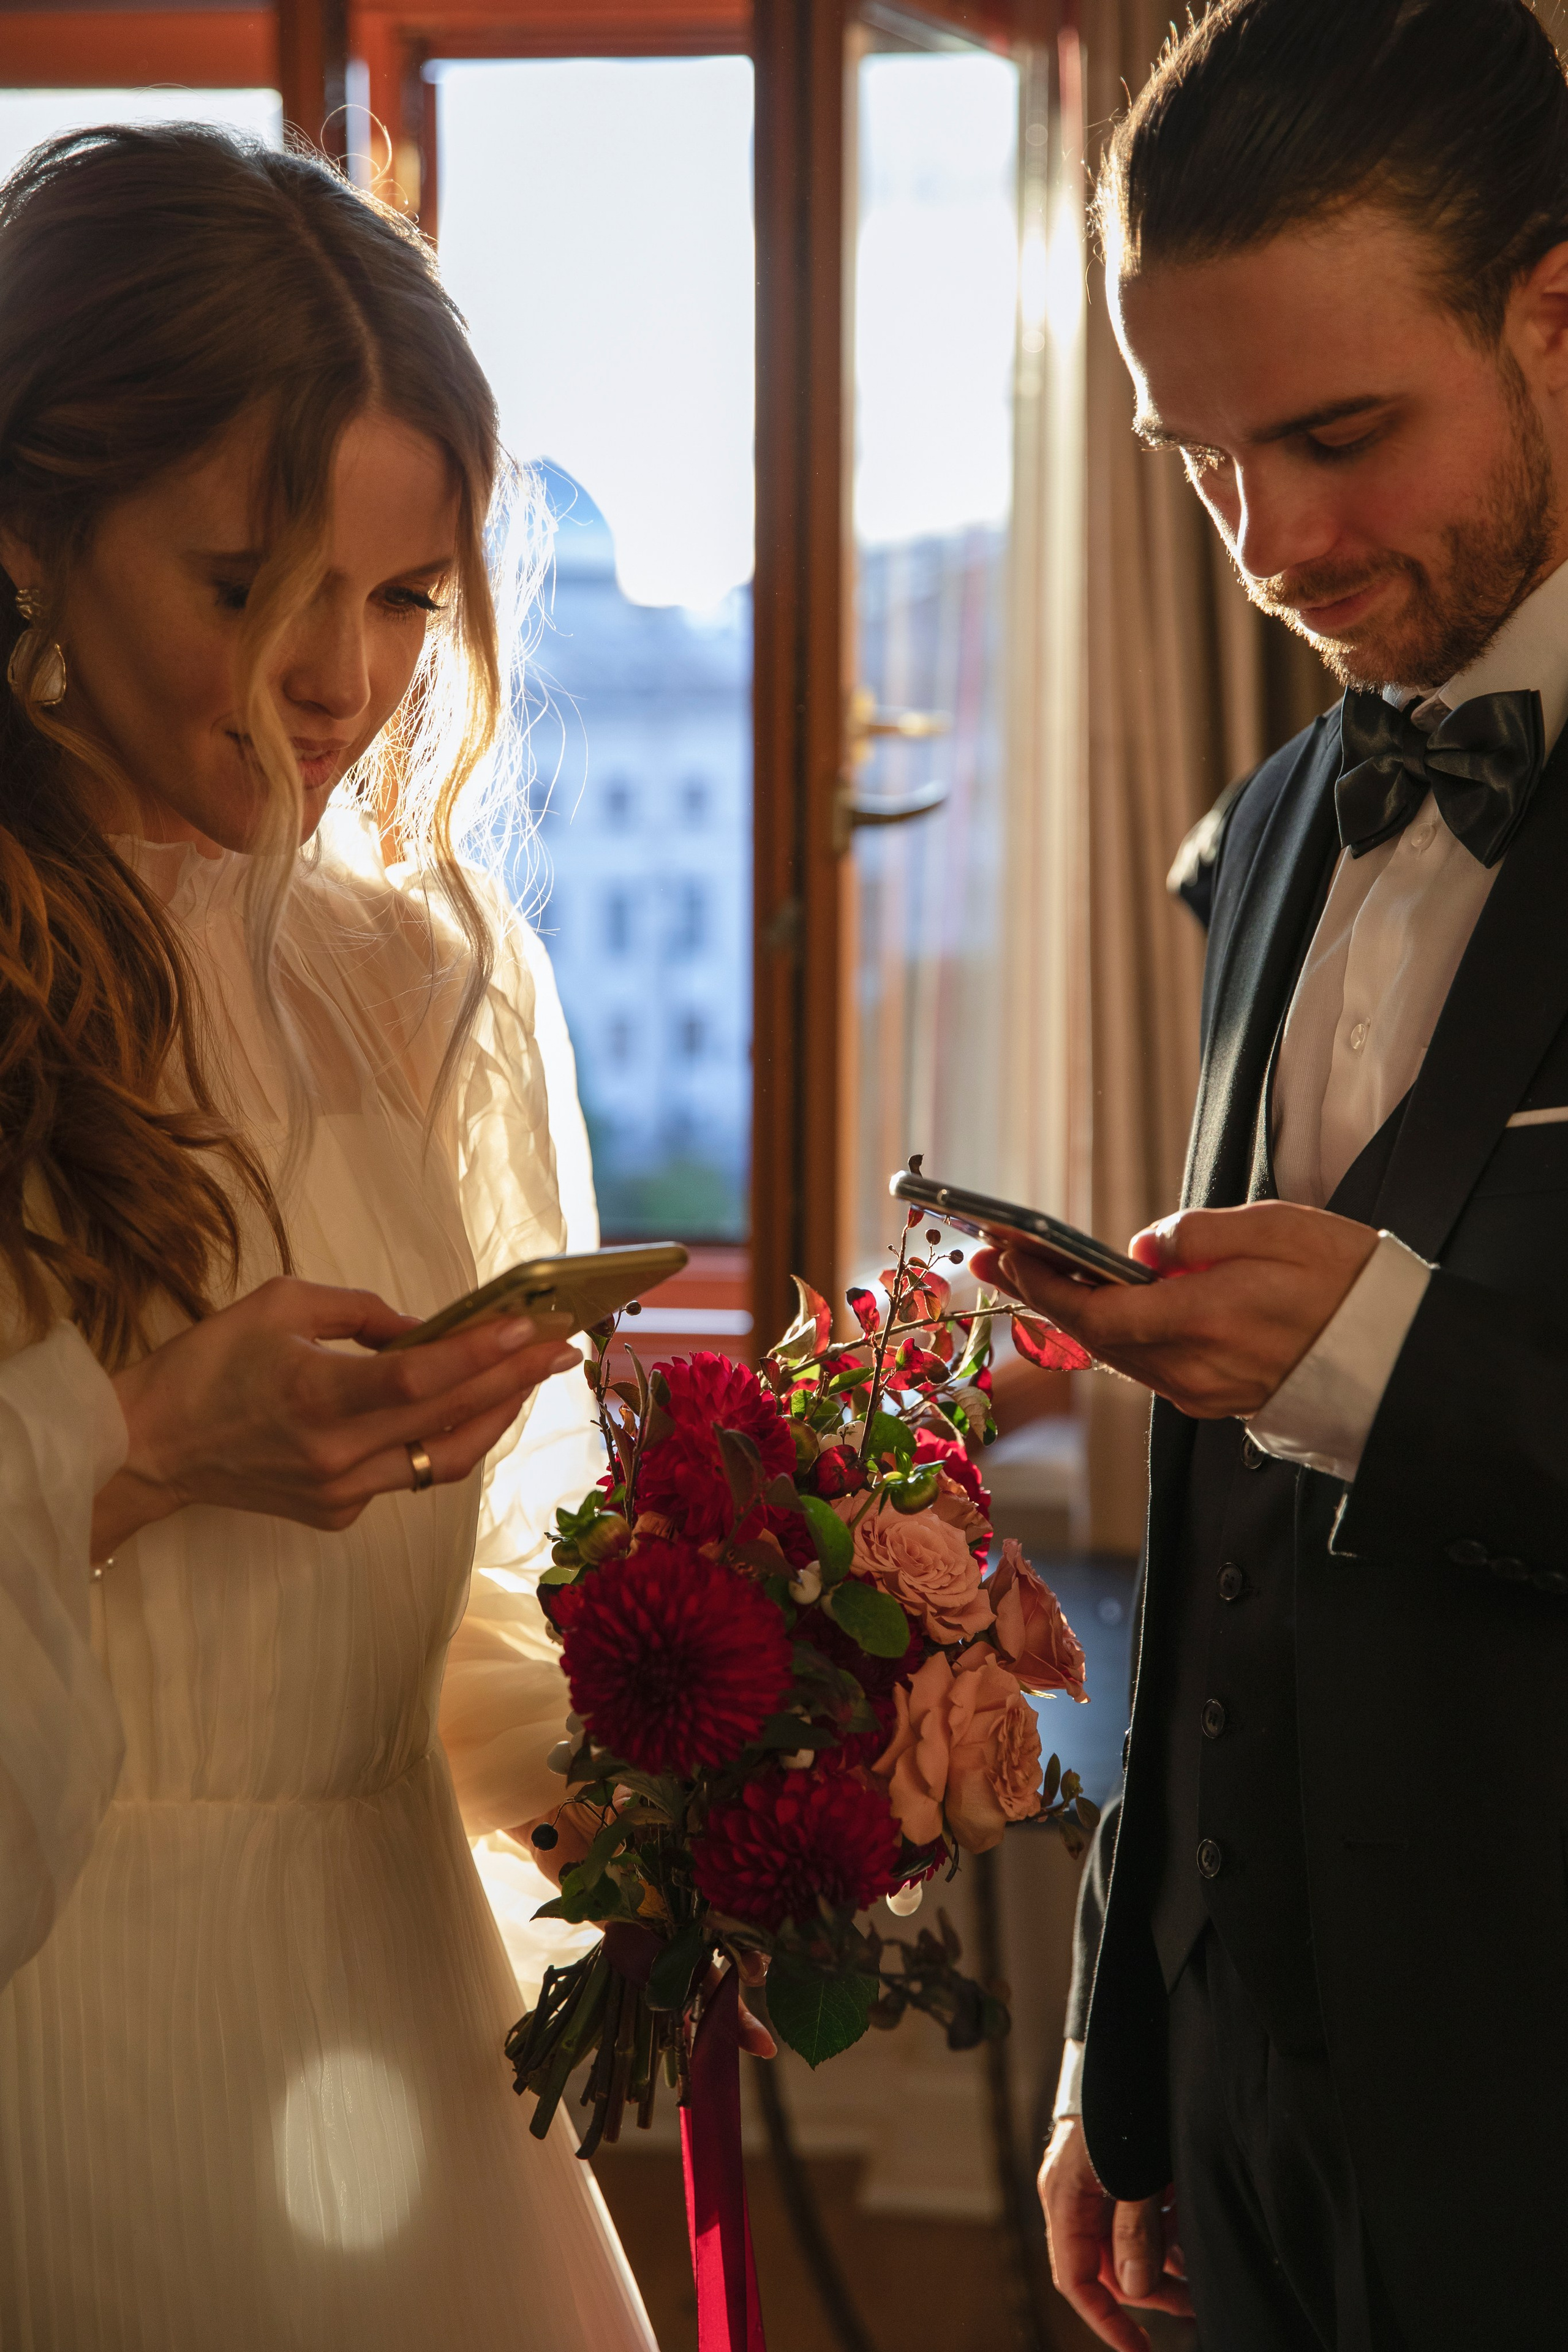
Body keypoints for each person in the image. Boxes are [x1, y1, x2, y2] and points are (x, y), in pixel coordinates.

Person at [0, 125, 656, 2350]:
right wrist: (147, 1446)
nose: (338, 681)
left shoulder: (422, 972)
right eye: (248, 583)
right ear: (26, 532)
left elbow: (480, 1605)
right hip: (67, 2041)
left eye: (402, 598)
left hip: (404, 2027)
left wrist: (685, 1764)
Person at [974, 5, 1568, 2348]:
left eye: (1338, 437)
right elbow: (1223, 1540)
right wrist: (1133, 2047)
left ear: (1555, 305)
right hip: (1251, 2127)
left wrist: (1381, 1362)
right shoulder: (1287, 819)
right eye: (1199, 461)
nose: (1276, 548)